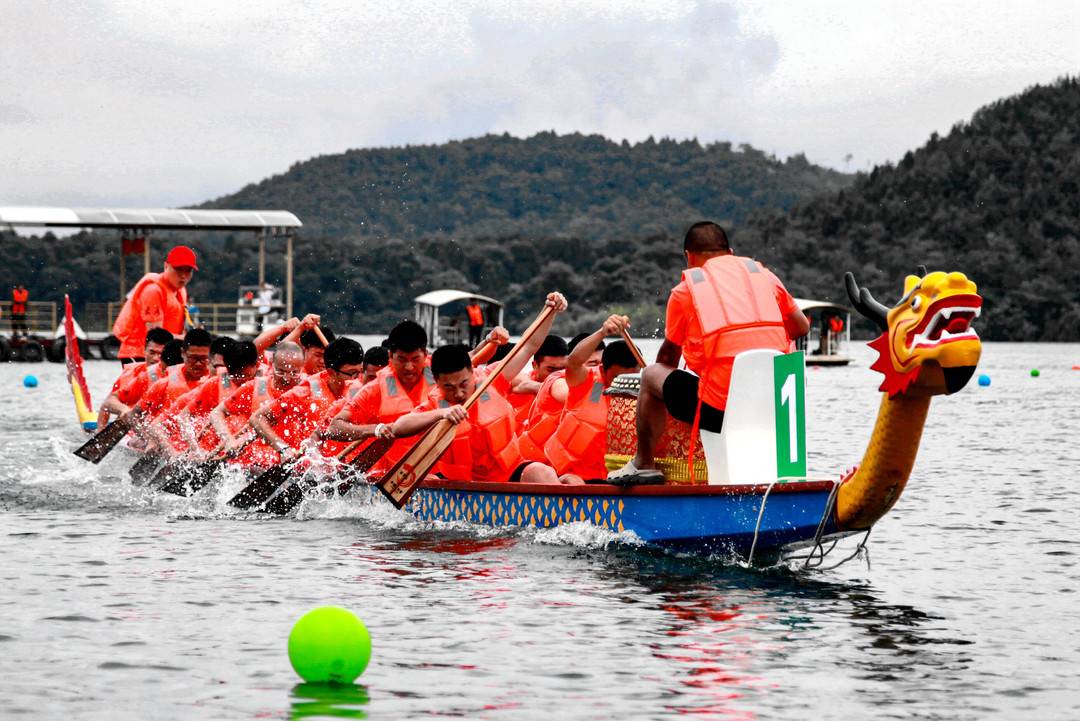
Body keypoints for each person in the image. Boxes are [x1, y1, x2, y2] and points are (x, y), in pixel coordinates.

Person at [609, 221, 809, 482]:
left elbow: (668, 360)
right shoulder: (765, 276)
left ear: (688, 257)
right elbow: (801, 326)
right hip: (778, 403)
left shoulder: (685, 292)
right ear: (731, 251)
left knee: (650, 376)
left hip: (720, 409)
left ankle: (644, 464)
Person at [392, 293, 579, 484]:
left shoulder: (492, 379)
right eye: (449, 387)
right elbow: (399, 428)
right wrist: (442, 413)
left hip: (508, 470)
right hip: (462, 482)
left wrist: (549, 311)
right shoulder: (435, 403)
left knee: (542, 472)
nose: (458, 393)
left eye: (464, 384)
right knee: (428, 480)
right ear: (437, 383)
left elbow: (529, 346)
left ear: (472, 373)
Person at [323, 320, 435, 475]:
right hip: (395, 478)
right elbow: (334, 428)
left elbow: (471, 360)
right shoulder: (375, 389)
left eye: (415, 359)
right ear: (390, 356)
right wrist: (375, 429)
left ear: (425, 354)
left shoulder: (441, 372)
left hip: (441, 473)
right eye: (402, 359)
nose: (409, 367)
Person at [544, 317, 642, 482]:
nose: (625, 384)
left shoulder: (645, 391)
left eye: (631, 377)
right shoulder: (588, 385)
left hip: (617, 479)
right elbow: (573, 362)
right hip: (572, 476)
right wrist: (603, 332)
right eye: (618, 378)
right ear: (603, 370)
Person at [245, 338, 364, 468]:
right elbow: (257, 418)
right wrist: (283, 449)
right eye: (352, 374)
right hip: (311, 472)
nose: (357, 379)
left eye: (360, 372)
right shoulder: (304, 392)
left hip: (348, 468)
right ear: (331, 372)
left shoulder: (362, 389)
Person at [210, 342, 305, 453]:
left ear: (302, 368)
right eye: (280, 371)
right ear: (271, 364)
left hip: (294, 459)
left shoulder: (308, 390)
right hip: (255, 463)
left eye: (294, 373)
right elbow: (216, 413)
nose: (287, 378)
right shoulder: (254, 386)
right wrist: (228, 440)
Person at [112, 245, 198, 364]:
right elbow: (156, 335)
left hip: (164, 354)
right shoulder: (153, 291)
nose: (183, 276)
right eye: (178, 269)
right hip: (139, 355)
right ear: (166, 266)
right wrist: (188, 340)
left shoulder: (180, 291)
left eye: (188, 270)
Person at [96, 327, 174, 427]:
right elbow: (106, 405)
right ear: (144, 351)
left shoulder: (177, 374)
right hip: (132, 425)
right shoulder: (131, 373)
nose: (155, 358)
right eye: (152, 352)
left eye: (161, 354)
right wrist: (100, 432)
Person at [505, 334, 568, 424]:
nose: (557, 374)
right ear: (535, 365)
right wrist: (550, 388)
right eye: (551, 369)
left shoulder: (569, 383)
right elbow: (523, 384)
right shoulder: (521, 379)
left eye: (562, 369)